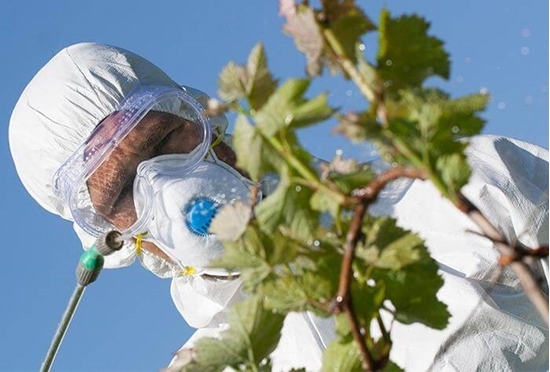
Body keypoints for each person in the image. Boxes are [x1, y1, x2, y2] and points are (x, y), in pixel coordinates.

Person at [9, 43, 548, 371]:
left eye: (163, 141)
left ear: (208, 120)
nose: (166, 187)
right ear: (112, 238)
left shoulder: (470, 187)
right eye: (123, 192)